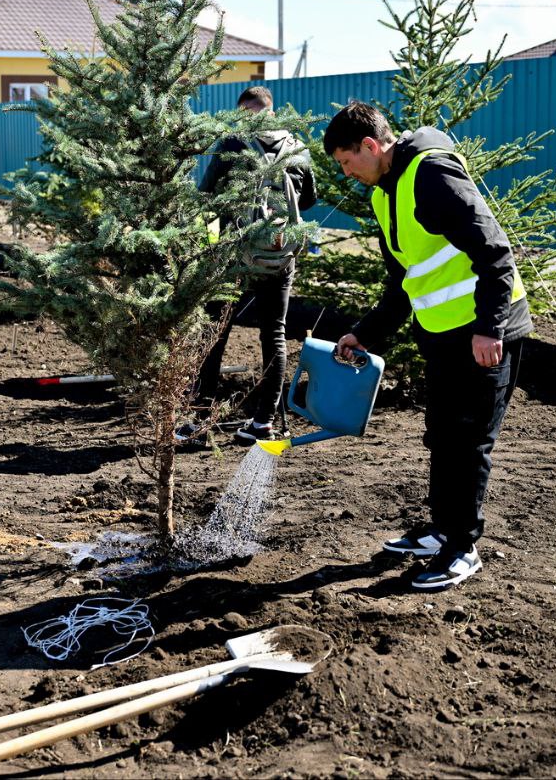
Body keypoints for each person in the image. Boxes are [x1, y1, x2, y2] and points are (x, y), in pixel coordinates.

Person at [323, 101, 532, 592]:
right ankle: (441, 532)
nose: (346, 171)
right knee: (442, 435)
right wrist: (365, 333)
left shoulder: (432, 176)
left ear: (371, 147)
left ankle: (463, 548)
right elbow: (404, 283)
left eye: (346, 161)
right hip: (442, 334)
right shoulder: (382, 195)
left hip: (486, 334)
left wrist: (490, 327)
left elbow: (495, 251)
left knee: (469, 441)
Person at [177, 85, 315, 445]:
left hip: (232, 257)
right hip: (281, 255)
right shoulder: (297, 148)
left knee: (214, 332)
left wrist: (208, 249)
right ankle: (263, 423)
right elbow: (310, 200)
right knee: (275, 334)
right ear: (271, 111)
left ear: (242, 112)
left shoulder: (232, 145)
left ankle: (199, 422)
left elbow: (208, 202)